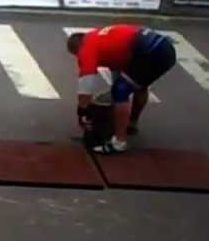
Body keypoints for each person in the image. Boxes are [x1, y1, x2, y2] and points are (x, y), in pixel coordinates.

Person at [67, 25, 178, 155]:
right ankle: (131, 123)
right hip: (162, 48)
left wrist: (82, 111)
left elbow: (86, 85)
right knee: (138, 84)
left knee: (120, 90)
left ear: (76, 48)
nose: (78, 57)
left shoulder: (85, 49)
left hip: (151, 51)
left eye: (76, 54)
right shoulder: (98, 37)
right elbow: (118, 66)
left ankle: (119, 142)